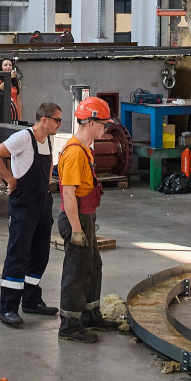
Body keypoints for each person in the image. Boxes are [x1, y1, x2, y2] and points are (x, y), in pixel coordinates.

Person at [0, 100, 62, 327]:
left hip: (42, 202)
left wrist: (47, 187)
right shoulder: (22, 138)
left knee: (40, 253)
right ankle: (8, 308)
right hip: (23, 204)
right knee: (18, 254)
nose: (60, 124)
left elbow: (47, 166)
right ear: (44, 119)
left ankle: (31, 300)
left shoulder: (48, 139)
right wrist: (10, 179)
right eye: (57, 120)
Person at [57, 96, 112, 343]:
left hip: (85, 217)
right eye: (103, 124)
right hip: (76, 218)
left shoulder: (85, 150)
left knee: (92, 265)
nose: (105, 128)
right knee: (77, 270)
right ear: (90, 122)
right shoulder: (74, 153)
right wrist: (77, 230)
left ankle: (90, 314)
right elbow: (67, 194)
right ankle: (69, 325)